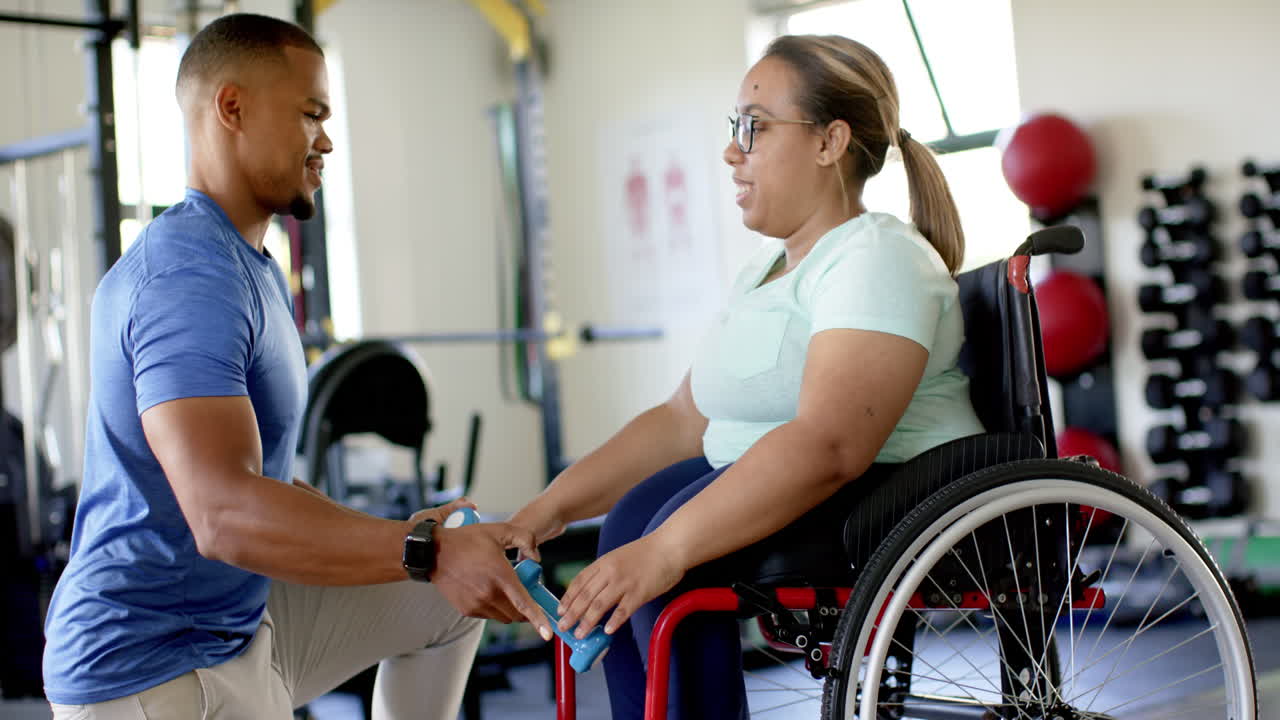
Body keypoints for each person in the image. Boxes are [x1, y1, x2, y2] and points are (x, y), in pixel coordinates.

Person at [41, 13, 551, 720]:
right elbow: (222, 514)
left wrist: (429, 542)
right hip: (152, 670)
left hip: (239, 627)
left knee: (445, 599)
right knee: (435, 570)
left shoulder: (249, 265)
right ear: (232, 107)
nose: (327, 140)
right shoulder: (185, 278)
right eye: (311, 114)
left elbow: (271, 488)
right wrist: (423, 549)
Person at [509, 34, 986, 719]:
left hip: (891, 493)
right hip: (813, 480)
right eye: (735, 128)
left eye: (753, 128)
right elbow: (681, 420)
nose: (733, 151)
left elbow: (830, 445)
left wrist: (667, 552)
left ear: (829, 142)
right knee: (629, 530)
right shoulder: (766, 272)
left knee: (666, 561)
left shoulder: (876, 256)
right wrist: (543, 513)